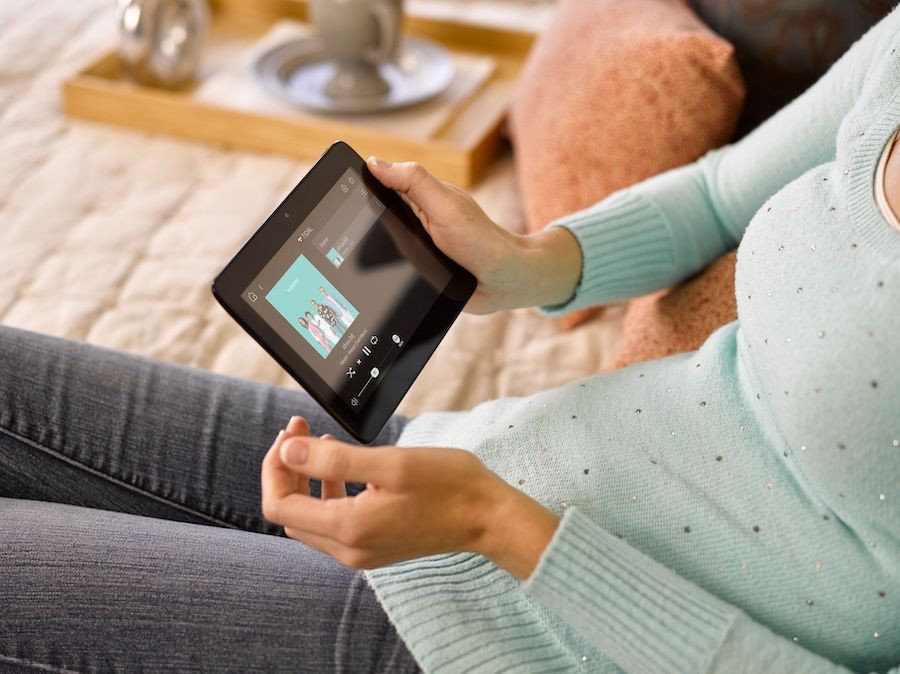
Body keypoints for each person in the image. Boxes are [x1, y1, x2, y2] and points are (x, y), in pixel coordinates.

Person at [1, 8, 899, 674]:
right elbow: (714, 194)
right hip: (472, 467)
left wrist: (495, 525)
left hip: (520, 638)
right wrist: (526, 263)